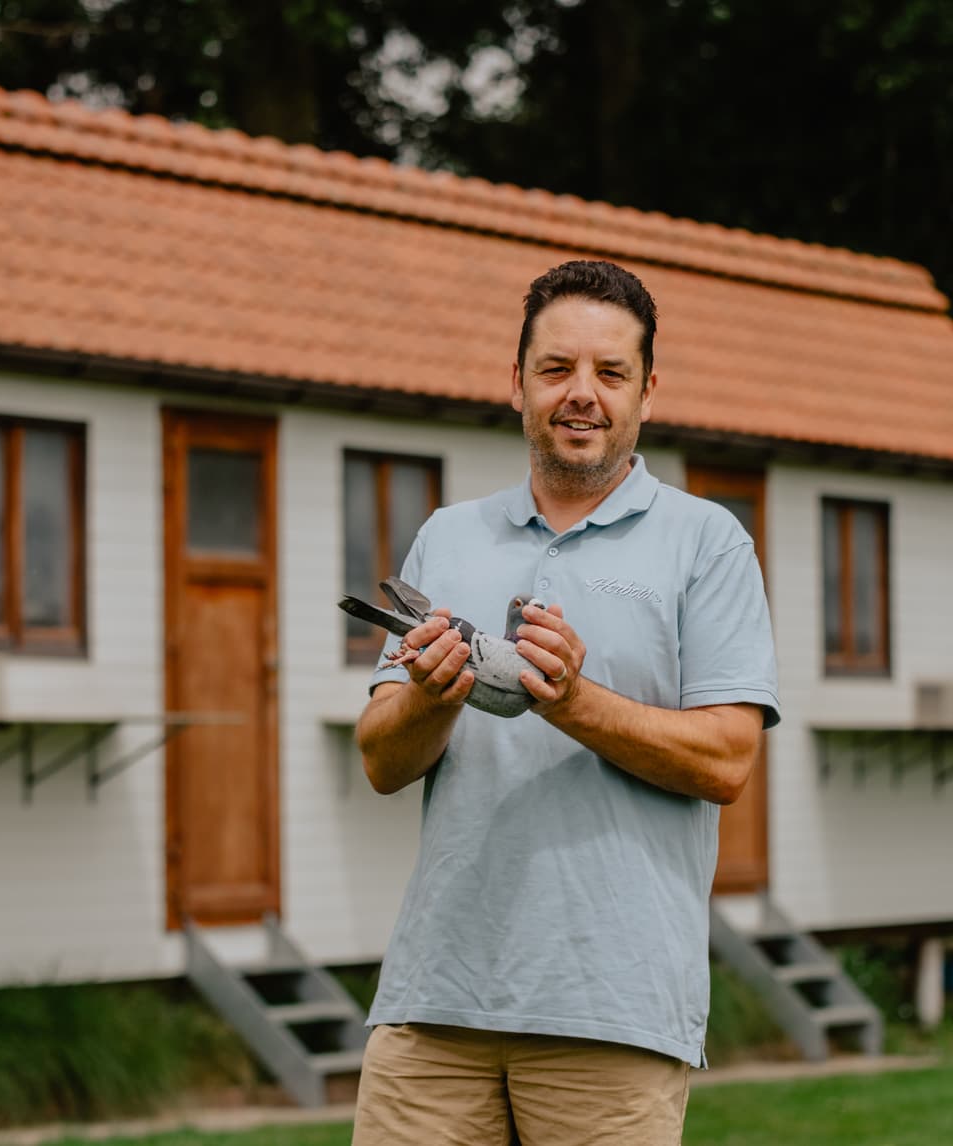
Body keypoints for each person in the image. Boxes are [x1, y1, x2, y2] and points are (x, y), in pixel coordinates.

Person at [350, 259, 780, 1146]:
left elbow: (729, 761)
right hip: (435, 1006)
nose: (581, 394)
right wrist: (434, 696)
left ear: (647, 393)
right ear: (516, 384)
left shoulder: (708, 544)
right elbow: (382, 760)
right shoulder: (448, 535)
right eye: (556, 370)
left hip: (611, 1013)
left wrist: (573, 701)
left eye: (610, 373)